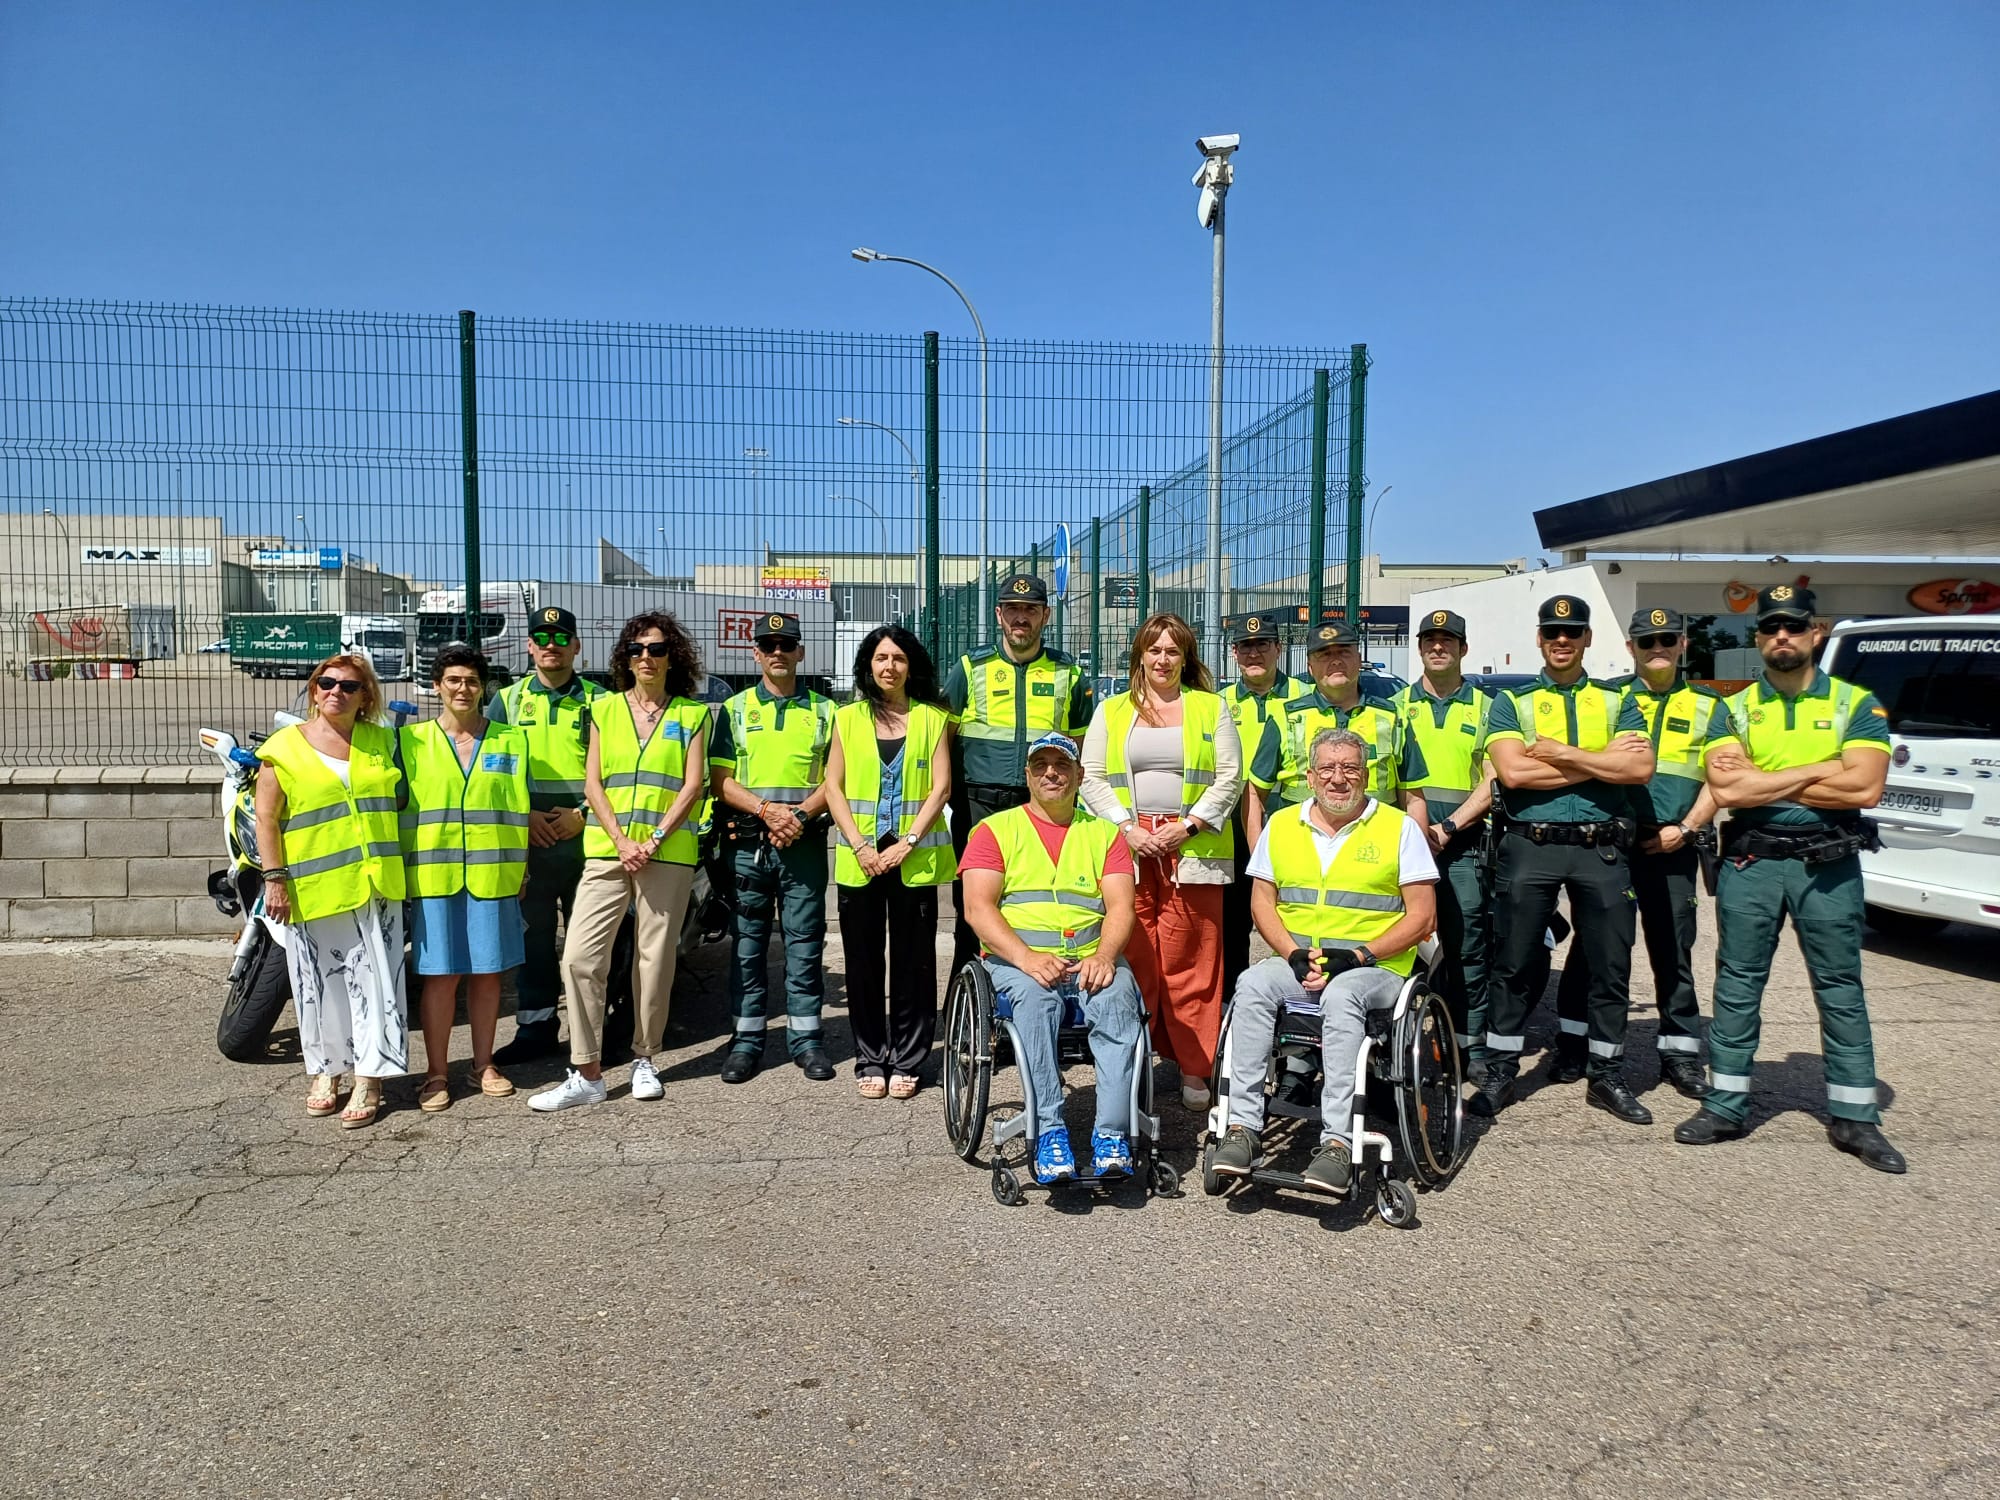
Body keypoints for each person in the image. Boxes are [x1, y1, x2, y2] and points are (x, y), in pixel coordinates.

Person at [1676, 585, 1906, 1172]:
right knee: (1737, 984)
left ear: (1816, 632)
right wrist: (1827, 767)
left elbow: (1866, 788)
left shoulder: (1859, 705)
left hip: (1828, 866)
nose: (1783, 637)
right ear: (1758, 638)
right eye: (1772, 627)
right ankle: (1726, 1105)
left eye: (1794, 627)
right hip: (1753, 864)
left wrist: (1770, 775)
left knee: (1840, 987)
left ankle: (1856, 1119)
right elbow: (1728, 789)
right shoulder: (1734, 707)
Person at [1209, 728, 1439, 1193]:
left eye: (1350, 768)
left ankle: (1337, 1142)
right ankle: (1242, 1129)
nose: (1339, 779)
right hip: (1302, 959)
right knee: (1252, 984)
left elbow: (1423, 916)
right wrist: (1291, 953)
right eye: (1328, 769)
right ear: (1310, 776)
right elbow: (1262, 904)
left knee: (1343, 994)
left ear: (1367, 775)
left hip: (1376, 968)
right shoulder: (1281, 824)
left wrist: (1358, 955)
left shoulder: (1399, 828)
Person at [1471, 594, 1657, 1125]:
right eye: (1552, 631)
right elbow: (1514, 776)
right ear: (1538, 638)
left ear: (1587, 639)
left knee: (1610, 964)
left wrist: (1565, 755)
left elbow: (1640, 769)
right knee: (1514, 960)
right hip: (1532, 844)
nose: (1562, 640)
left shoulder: (1617, 700)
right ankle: (1502, 1070)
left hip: (1600, 846)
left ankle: (1607, 1075)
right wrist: (1603, 764)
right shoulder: (1514, 703)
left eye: (1572, 631)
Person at [531, 613, 709, 1113]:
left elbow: (693, 786)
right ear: (623, 658)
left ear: (673, 656)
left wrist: (650, 840)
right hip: (609, 851)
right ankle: (586, 1071)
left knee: (654, 961)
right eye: (635, 650)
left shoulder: (693, 715)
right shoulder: (603, 710)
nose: (645, 658)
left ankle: (644, 1059)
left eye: (655, 649)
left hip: (666, 853)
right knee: (581, 957)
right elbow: (593, 784)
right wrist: (620, 839)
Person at [960, 732, 1146, 1183]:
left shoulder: (1104, 835)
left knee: (1119, 998)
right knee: (1037, 1001)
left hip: (1088, 958)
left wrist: (1105, 955)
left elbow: (1122, 907)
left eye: (1061, 765)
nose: (1051, 773)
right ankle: (1048, 1130)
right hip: (1015, 962)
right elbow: (976, 908)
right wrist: (1025, 958)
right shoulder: (993, 831)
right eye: (1041, 765)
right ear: (1027, 775)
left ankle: (1112, 1133)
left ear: (1079, 776)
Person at [1080, 612, 1242, 1111]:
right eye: (1154, 650)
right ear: (1140, 656)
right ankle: (1135, 1058)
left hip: (1192, 849)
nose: (1163, 659)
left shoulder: (1210, 708)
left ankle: (1195, 1068)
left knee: (1194, 960)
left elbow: (1229, 778)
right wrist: (1128, 828)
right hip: (1129, 846)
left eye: (1173, 651)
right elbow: (1090, 777)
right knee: (1136, 955)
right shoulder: (1111, 710)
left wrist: (1186, 826)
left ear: (1186, 657)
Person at [252, 653, 408, 1130]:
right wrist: (274, 879)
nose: (336, 692)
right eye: (326, 683)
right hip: (313, 887)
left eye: (349, 686)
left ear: (365, 698)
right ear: (313, 688)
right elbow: (266, 818)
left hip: (375, 885)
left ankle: (370, 1076)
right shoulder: (284, 747)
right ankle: (326, 1073)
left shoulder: (384, 741)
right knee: (320, 986)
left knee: (378, 984)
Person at [825, 624, 955, 1100]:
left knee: (914, 962)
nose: (889, 666)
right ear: (868, 665)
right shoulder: (846, 719)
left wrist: (909, 841)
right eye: (881, 658)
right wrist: (860, 845)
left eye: (898, 658)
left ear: (910, 665)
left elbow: (940, 787)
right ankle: (870, 1057)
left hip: (913, 858)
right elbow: (833, 787)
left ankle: (908, 1058)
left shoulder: (933, 719)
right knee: (861, 961)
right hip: (860, 858)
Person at [707, 611, 837, 1084]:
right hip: (748, 841)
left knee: (804, 946)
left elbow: (834, 780)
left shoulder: (826, 711)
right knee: (747, 947)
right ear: (756, 652)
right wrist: (768, 811)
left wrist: (798, 816)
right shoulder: (736, 710)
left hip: (802, 842)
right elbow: (720, 780)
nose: (778, 652)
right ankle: (746, 1041)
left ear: (800, 651)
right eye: (769, 645)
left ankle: (807, 1041)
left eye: (787, 645)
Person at [942, 571, 1095, 975]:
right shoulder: (969, 668)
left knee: (1036, 901)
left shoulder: (1070, 674)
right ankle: (969, 995)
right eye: (1013, 609)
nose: (1020, 618)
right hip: (980, 805)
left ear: (1046, 616)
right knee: (973, 906)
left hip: (1043, 807)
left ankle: (1036, 984)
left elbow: (1080, 747)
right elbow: (945, 739)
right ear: (999, 615)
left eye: (1030, 610)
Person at [400, 643, 531, 1111]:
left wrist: (521, 870)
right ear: (437, 686)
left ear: (483, 688)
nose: (463, 688)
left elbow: (517, 807)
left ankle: (483, 1064)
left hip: (494, 873)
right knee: (441, 976)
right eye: (453, 680)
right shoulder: (410, 742)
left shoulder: (510, 740)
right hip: (435, 877)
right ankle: (437, 1074)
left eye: (472, 681)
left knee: (489, 973)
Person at [489, 604, 602, 1065]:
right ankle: (535, 1030)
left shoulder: (602, 701)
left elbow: (618, 771)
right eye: (542, 638)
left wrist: (583, 813)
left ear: (576, 646)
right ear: (529, 646)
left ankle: (590, 1032)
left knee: (591, 942)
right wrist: (524, 816)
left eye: (561, 638)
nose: (551, 646)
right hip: (529, 838)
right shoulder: (508, 700)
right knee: (533, 940)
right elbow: (491, 768)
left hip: (585, 836)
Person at [1617, 606, 1723, 1099]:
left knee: (1673, 953)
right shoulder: (1609, 698)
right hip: (1613, 844)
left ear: (1683, 644)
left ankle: (1680, 1057)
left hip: (1674, 844)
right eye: (1646, 642)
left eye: (1665, 640)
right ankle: (1585, 1050)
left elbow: (1722, 780)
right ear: (1630, 648)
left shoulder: (1709, 706)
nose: (1656, 649)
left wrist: (1685, 827)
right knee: (1601, 955)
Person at [1392, 609, 1499, 1083]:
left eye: (1448, 640)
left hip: (1462, 843)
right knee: (1396, 946)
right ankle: (1400, 1043)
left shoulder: (1487, 706)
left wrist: (1448, 827)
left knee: (1467, 948)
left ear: (1463, 648)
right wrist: (1416, 836)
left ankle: (1467, 1046)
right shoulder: (1395, 706)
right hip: (1404, 845)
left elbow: (1495, 779)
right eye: (1430, 640)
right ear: (1419, 648)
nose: (1439, 647)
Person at [1221, 610, 1312, 997]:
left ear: (1278, 648)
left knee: (1296, 916)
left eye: (1262, 645)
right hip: (1232, 828)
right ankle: (1233, 1001)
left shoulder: (1306, 698)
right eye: (1245, 647)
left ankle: (1300, 999)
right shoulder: (1219, 703)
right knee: (1232, 920)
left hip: (1291, 824)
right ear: (1234, 654)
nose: (1254, 654)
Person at [1268, 620, 1428, 820]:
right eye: (1325, 654)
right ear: (1310, 667)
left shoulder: (1393, 717)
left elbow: (1414, 799)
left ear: (1359, 660)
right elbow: (1255, 794)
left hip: (1375, 844)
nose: (1335, 661)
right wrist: (1261, 850)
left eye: (1344, 652)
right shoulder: (1286, 718)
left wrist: (1415, 850)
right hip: (1304, 844)